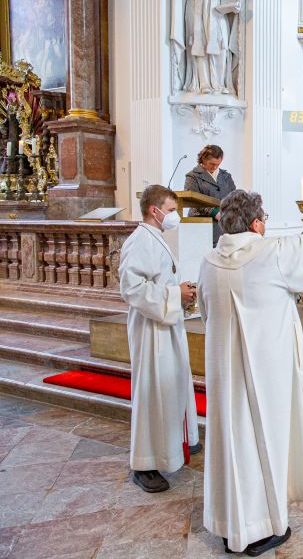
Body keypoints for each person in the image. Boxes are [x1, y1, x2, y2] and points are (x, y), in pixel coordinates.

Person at [198, 190, 303, 556]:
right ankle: (261, 528)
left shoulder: (209, 261)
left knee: (233, 443)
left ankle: (232, 524)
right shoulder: (271, 252)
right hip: (268, 373)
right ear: (257, 223)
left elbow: (204, 309)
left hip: (224, 373)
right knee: (265, 441)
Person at [119, 185, 201, 493]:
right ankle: (145, 463)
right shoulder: (139, 241)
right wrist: (173, 294)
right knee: (152, 390)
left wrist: (180, 290)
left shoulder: (155, 238)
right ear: (154, 210)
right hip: (151, 328)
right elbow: (131, 289)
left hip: (165, 323)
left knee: (172, 383)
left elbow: (155, 280)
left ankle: (176, 442)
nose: (174, 216)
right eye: (170, 209)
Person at [184, 144, 237, 246]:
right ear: (203, 159)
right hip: (201, 225)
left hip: (223, 226)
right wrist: (215, 213)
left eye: (218, 164)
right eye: (212, 164)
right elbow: (193, 200)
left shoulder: (226, 176)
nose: (215, 167)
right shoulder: (193, 176)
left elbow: (234, 197)